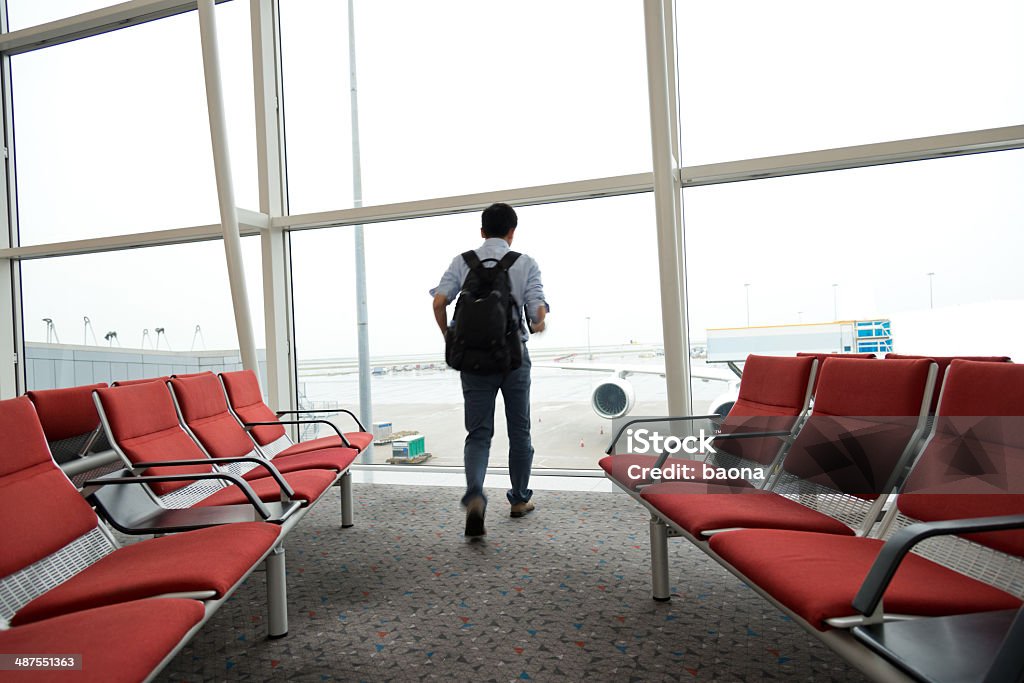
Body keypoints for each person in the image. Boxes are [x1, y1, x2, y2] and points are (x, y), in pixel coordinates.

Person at [430, 202, 548, 538]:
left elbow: (439, 302)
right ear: (512, 231)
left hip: (474, 360)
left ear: (482, 231)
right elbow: (536, 312)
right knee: (519, 431)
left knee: (478, 434)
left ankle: (476, 495)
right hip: (513, 358)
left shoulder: (462, 261)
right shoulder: (524, 262)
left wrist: (451, 337)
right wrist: (538, 323)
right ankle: (519, 499)